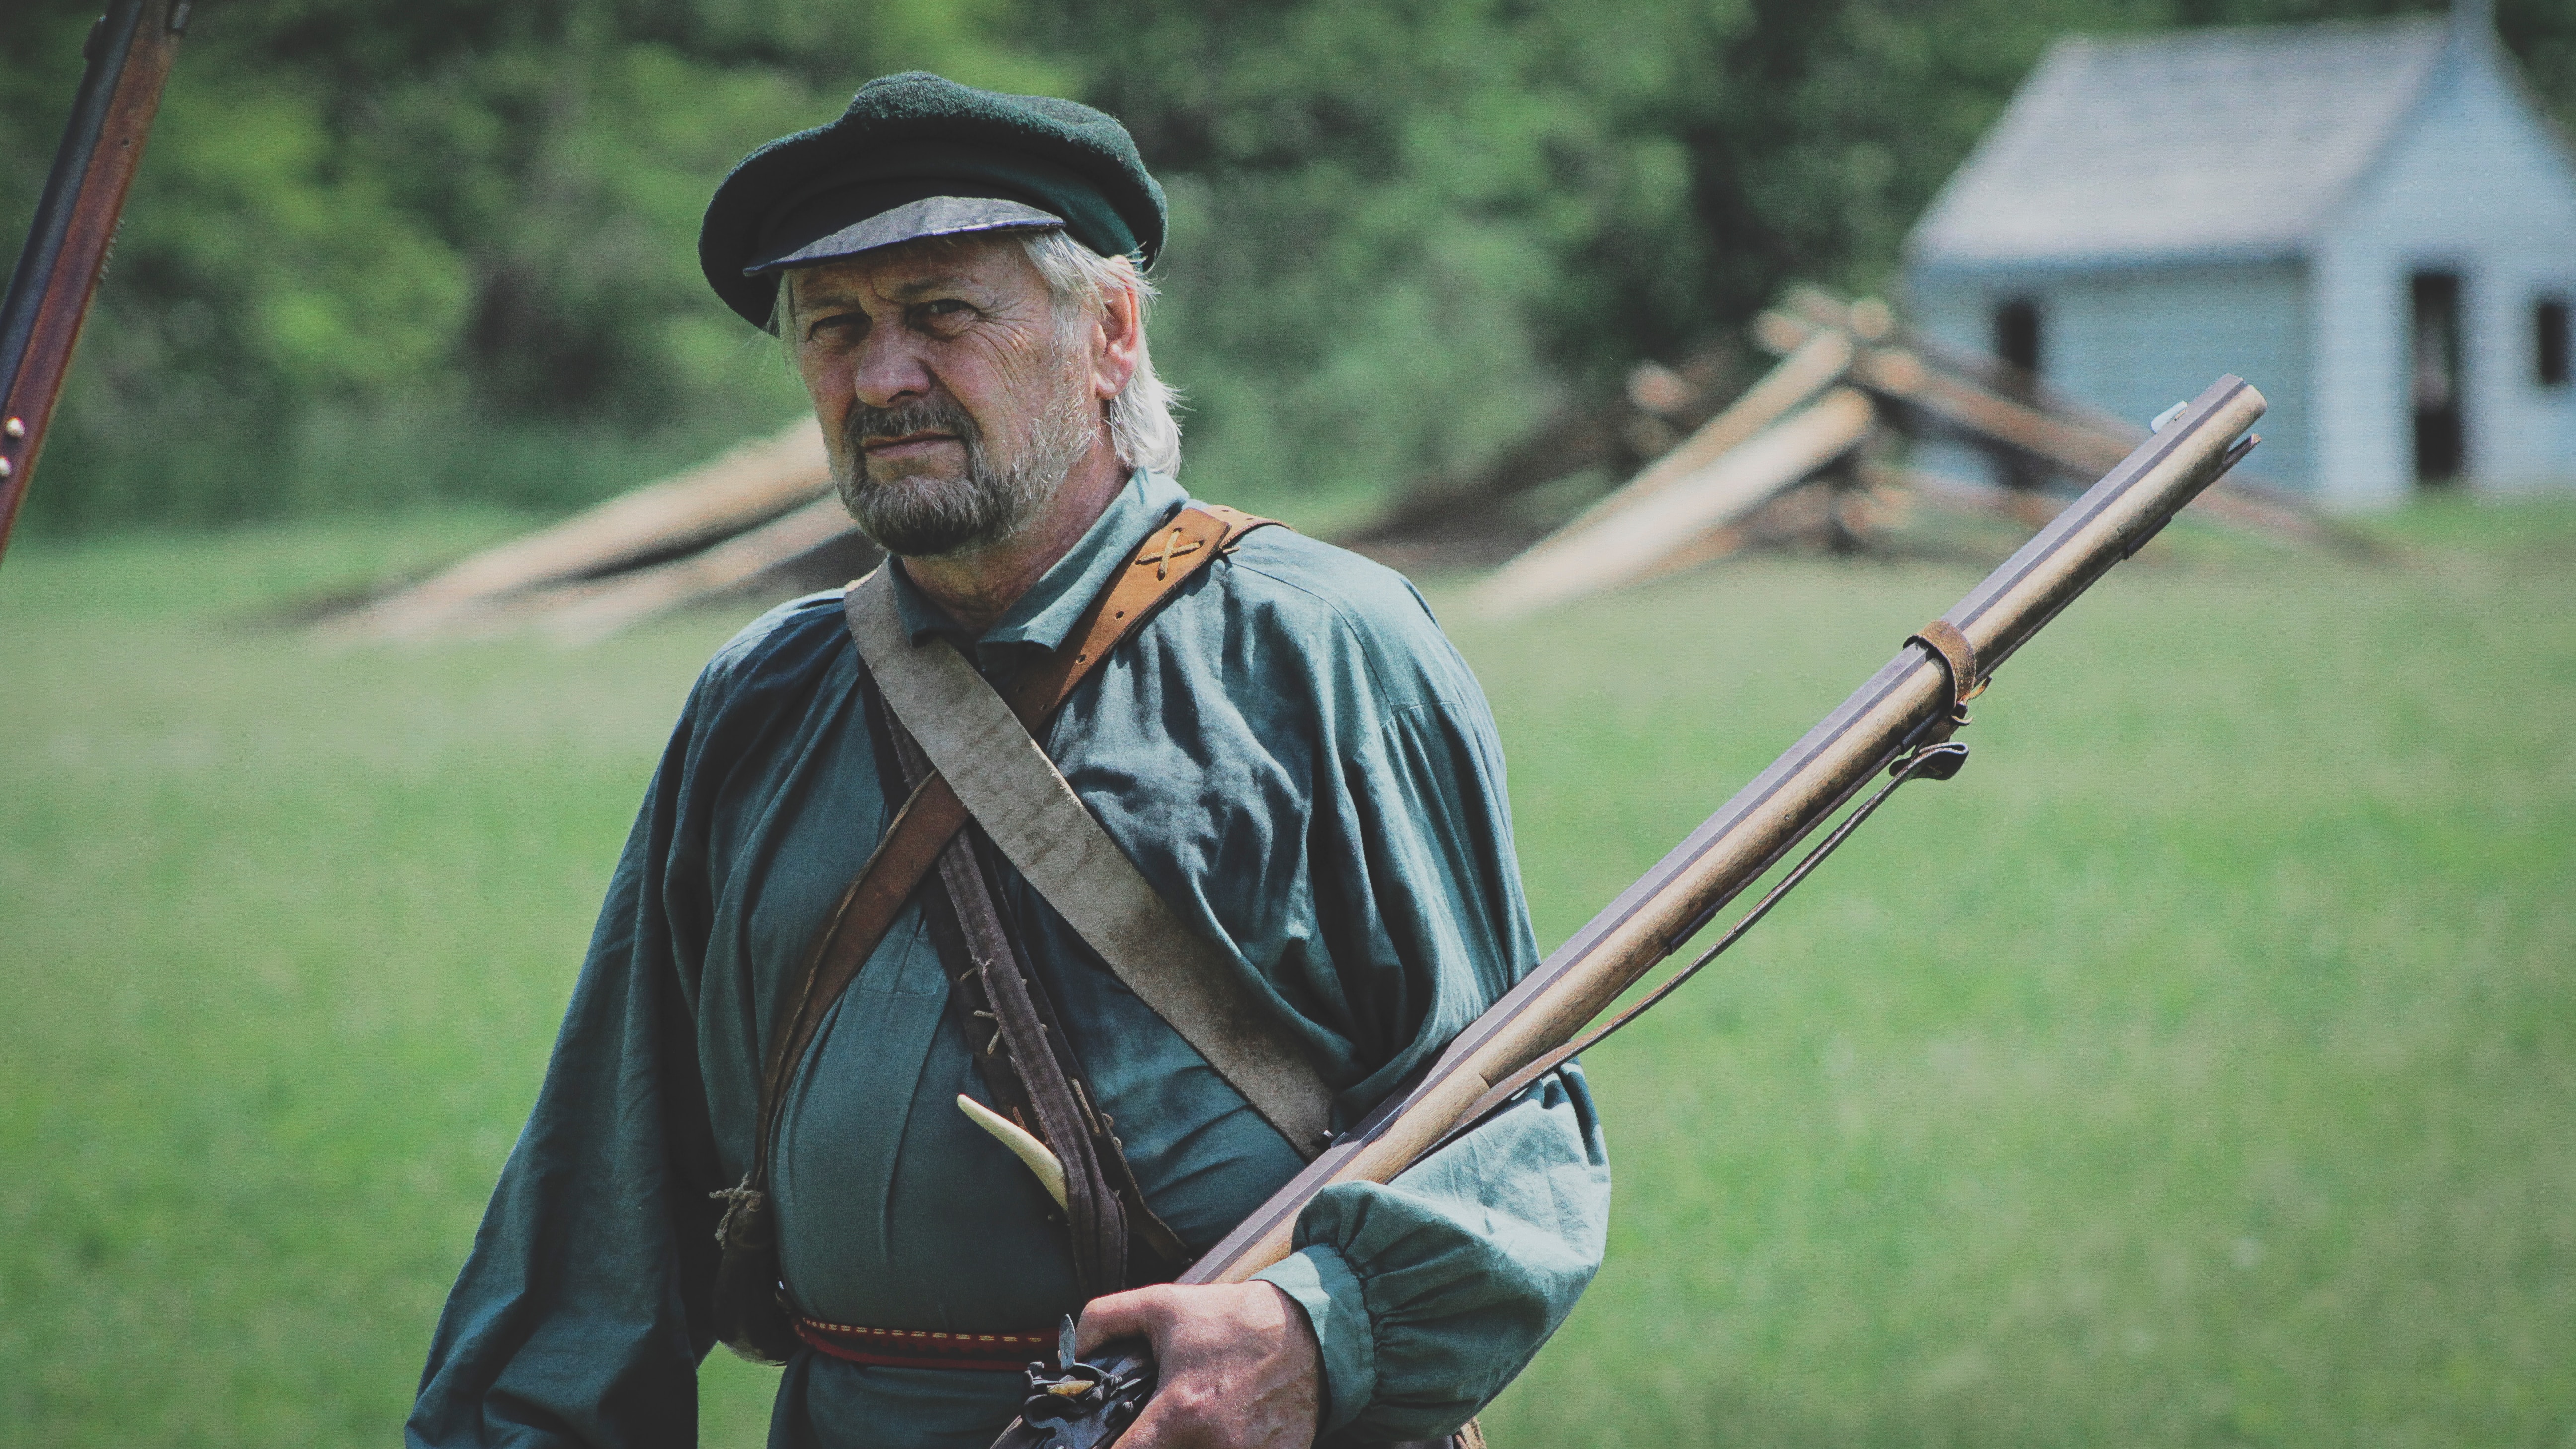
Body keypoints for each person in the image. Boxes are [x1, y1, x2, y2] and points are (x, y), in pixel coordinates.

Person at [408, 71, 1609, 1449]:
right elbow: (597, 1211)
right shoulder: (758, 699)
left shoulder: (1323, 646)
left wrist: (1312, 1328)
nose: (882, 375)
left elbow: (1512, 1127)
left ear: (1107, 331)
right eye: (836, 327)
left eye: (941, 313)